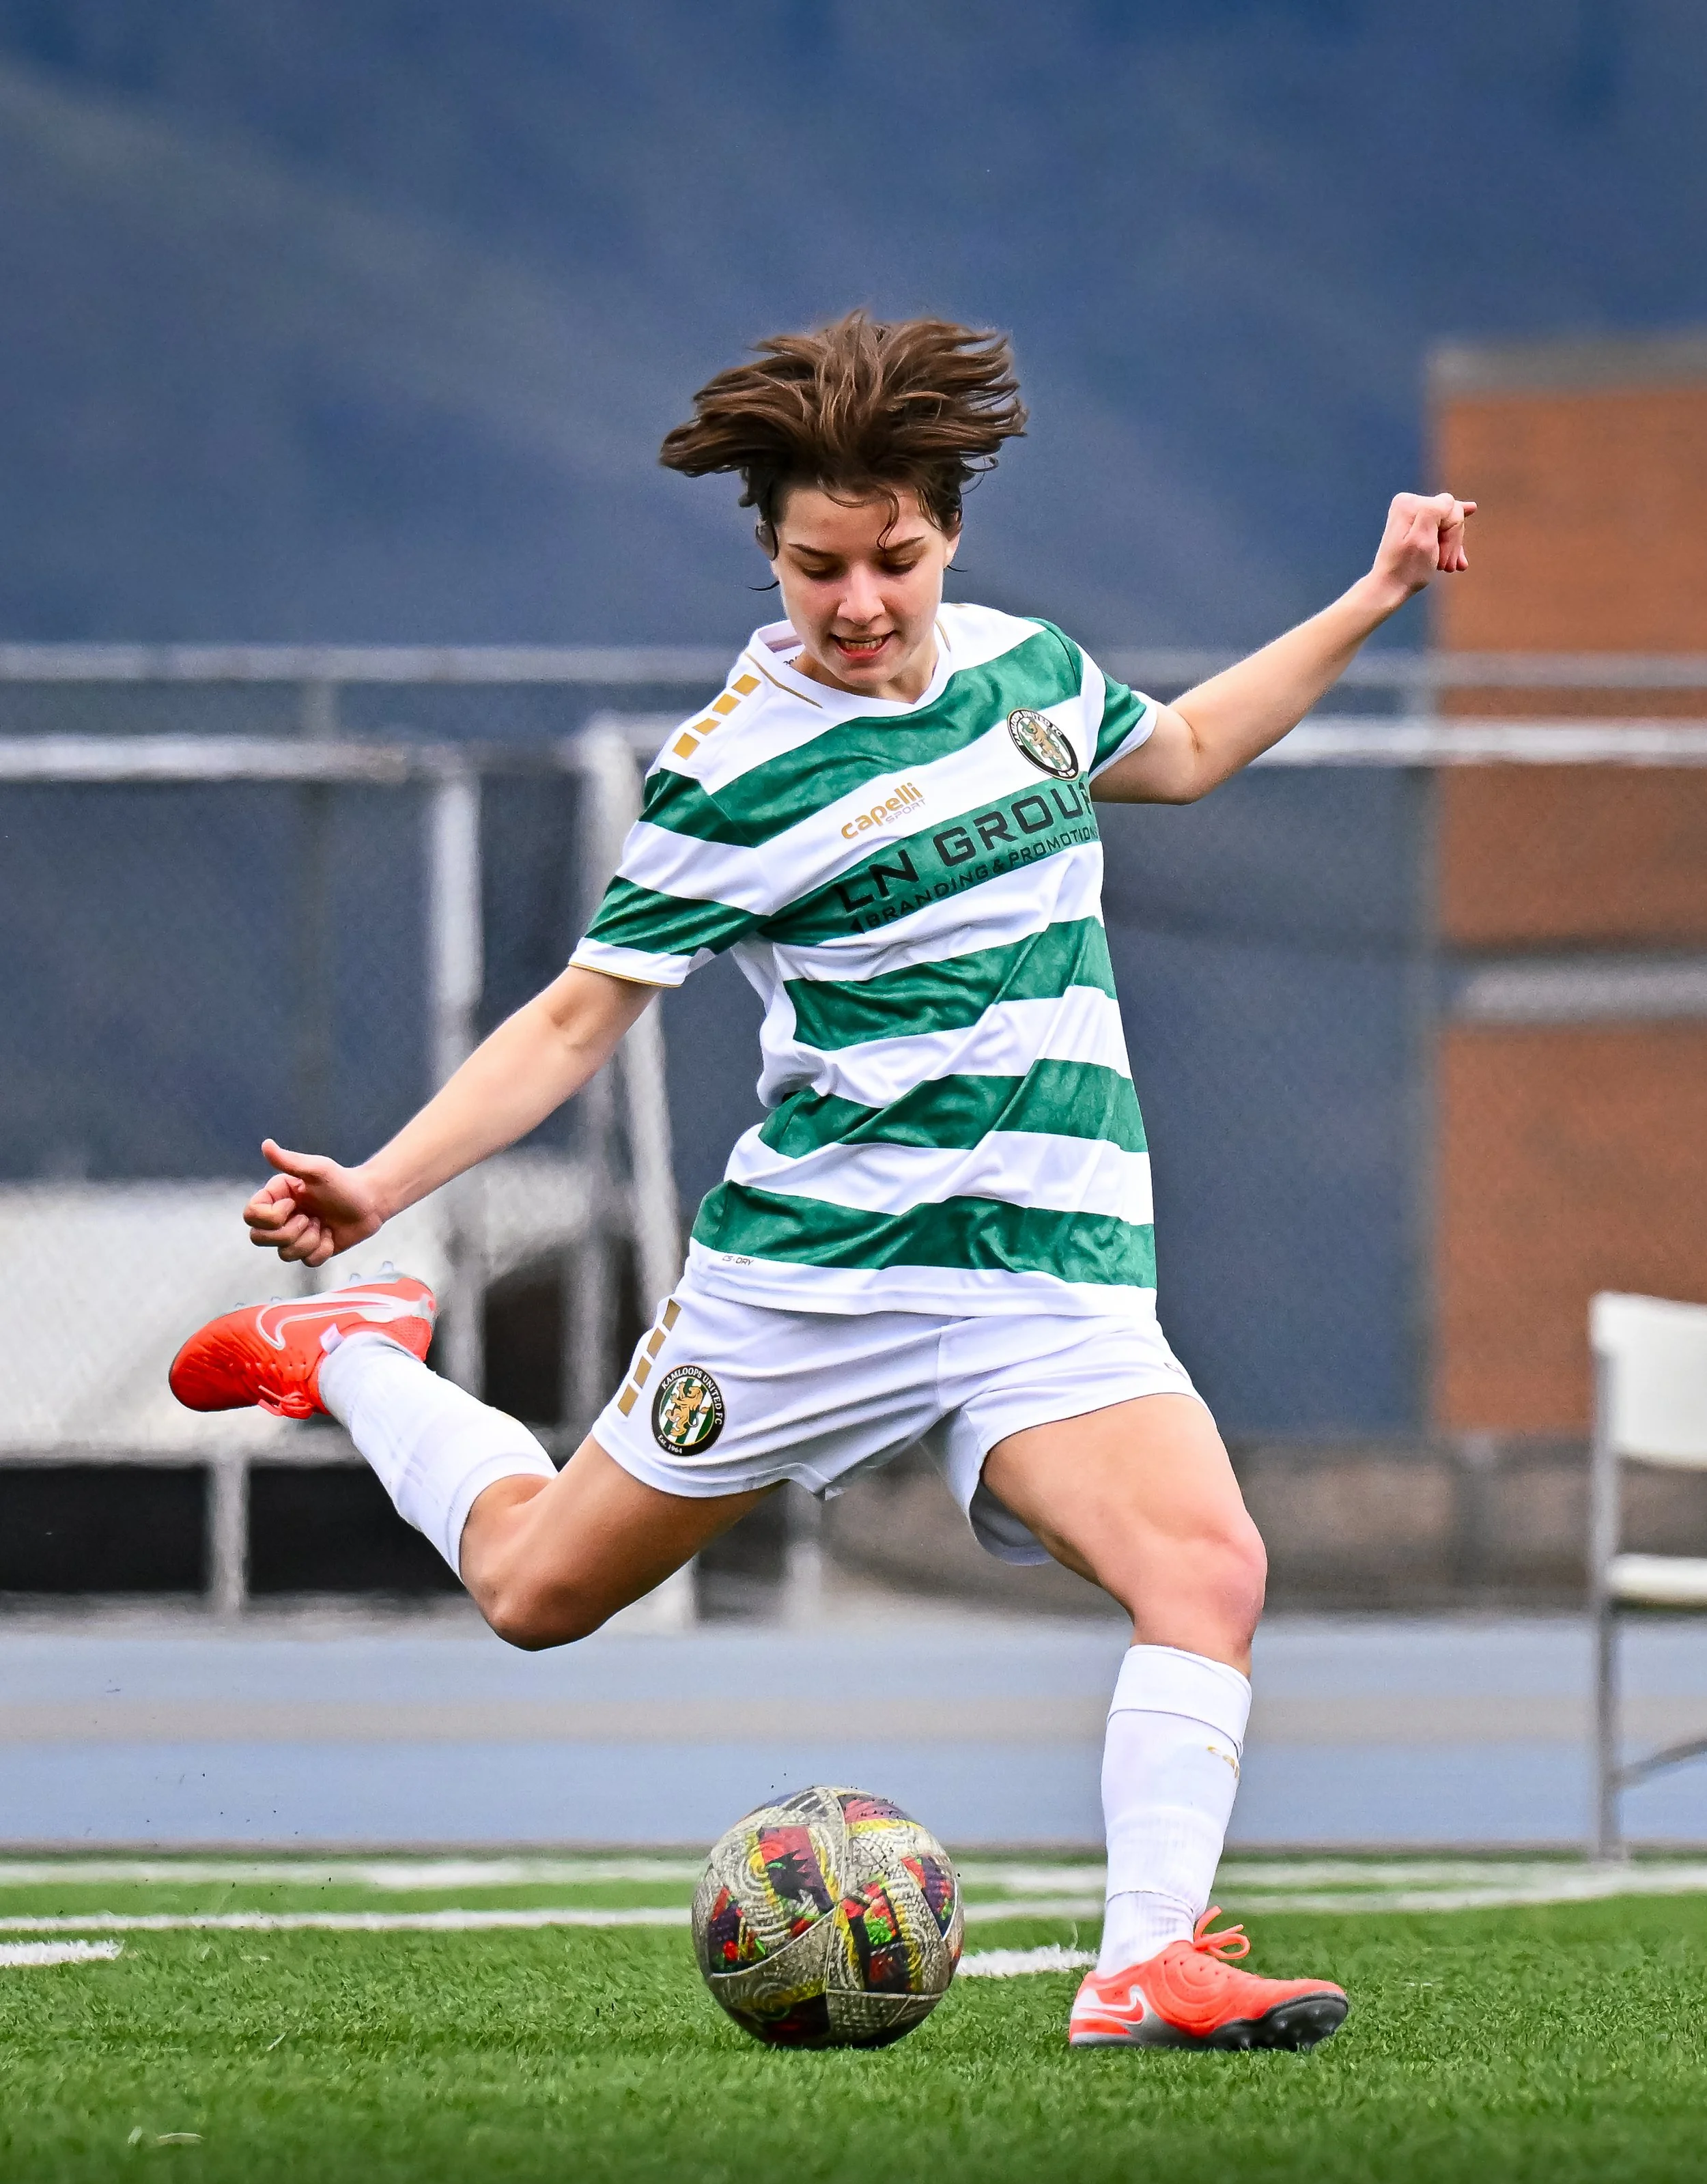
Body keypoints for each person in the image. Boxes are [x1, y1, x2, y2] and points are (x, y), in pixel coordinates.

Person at [169, 311, 1472, 2051]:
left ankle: (1140, 1966)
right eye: (815, 569)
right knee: (536, 1593)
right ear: (769, 554)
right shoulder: (729, 770)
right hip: (816, 1279)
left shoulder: (1030, 675)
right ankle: (350, 1352)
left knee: (1207, 1570)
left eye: (893, 561)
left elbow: (1182, 753)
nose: (856, 603)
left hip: (1046, 1275)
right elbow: (572, 1021)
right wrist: (378, 1187)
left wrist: (1374, 592)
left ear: (950, 537)